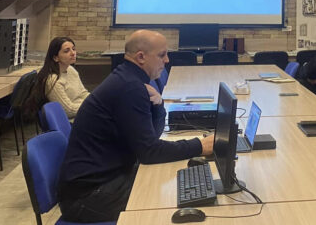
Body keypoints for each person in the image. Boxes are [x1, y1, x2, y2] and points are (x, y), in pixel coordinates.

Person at [57, 30, 214, 222]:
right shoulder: (129, 87)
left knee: (176, 182)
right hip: (87, 197)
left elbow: (150, 138)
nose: (167, 60)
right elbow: (149, 152)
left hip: (104, 181)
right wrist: (199, 145)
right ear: (141, 57)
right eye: (162, 55)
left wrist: (158, 105)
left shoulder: (129, 80)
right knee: (171, 198)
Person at [31, 37, 89, 119]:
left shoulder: (71, 70)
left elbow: (83, 93)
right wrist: (91, 106)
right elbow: (69, 111)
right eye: (66, 51)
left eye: (73, 49)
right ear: (56, 58)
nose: (73, 53)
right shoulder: (53, 80)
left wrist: (96, 102)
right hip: (72, 120)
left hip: (83, 112)